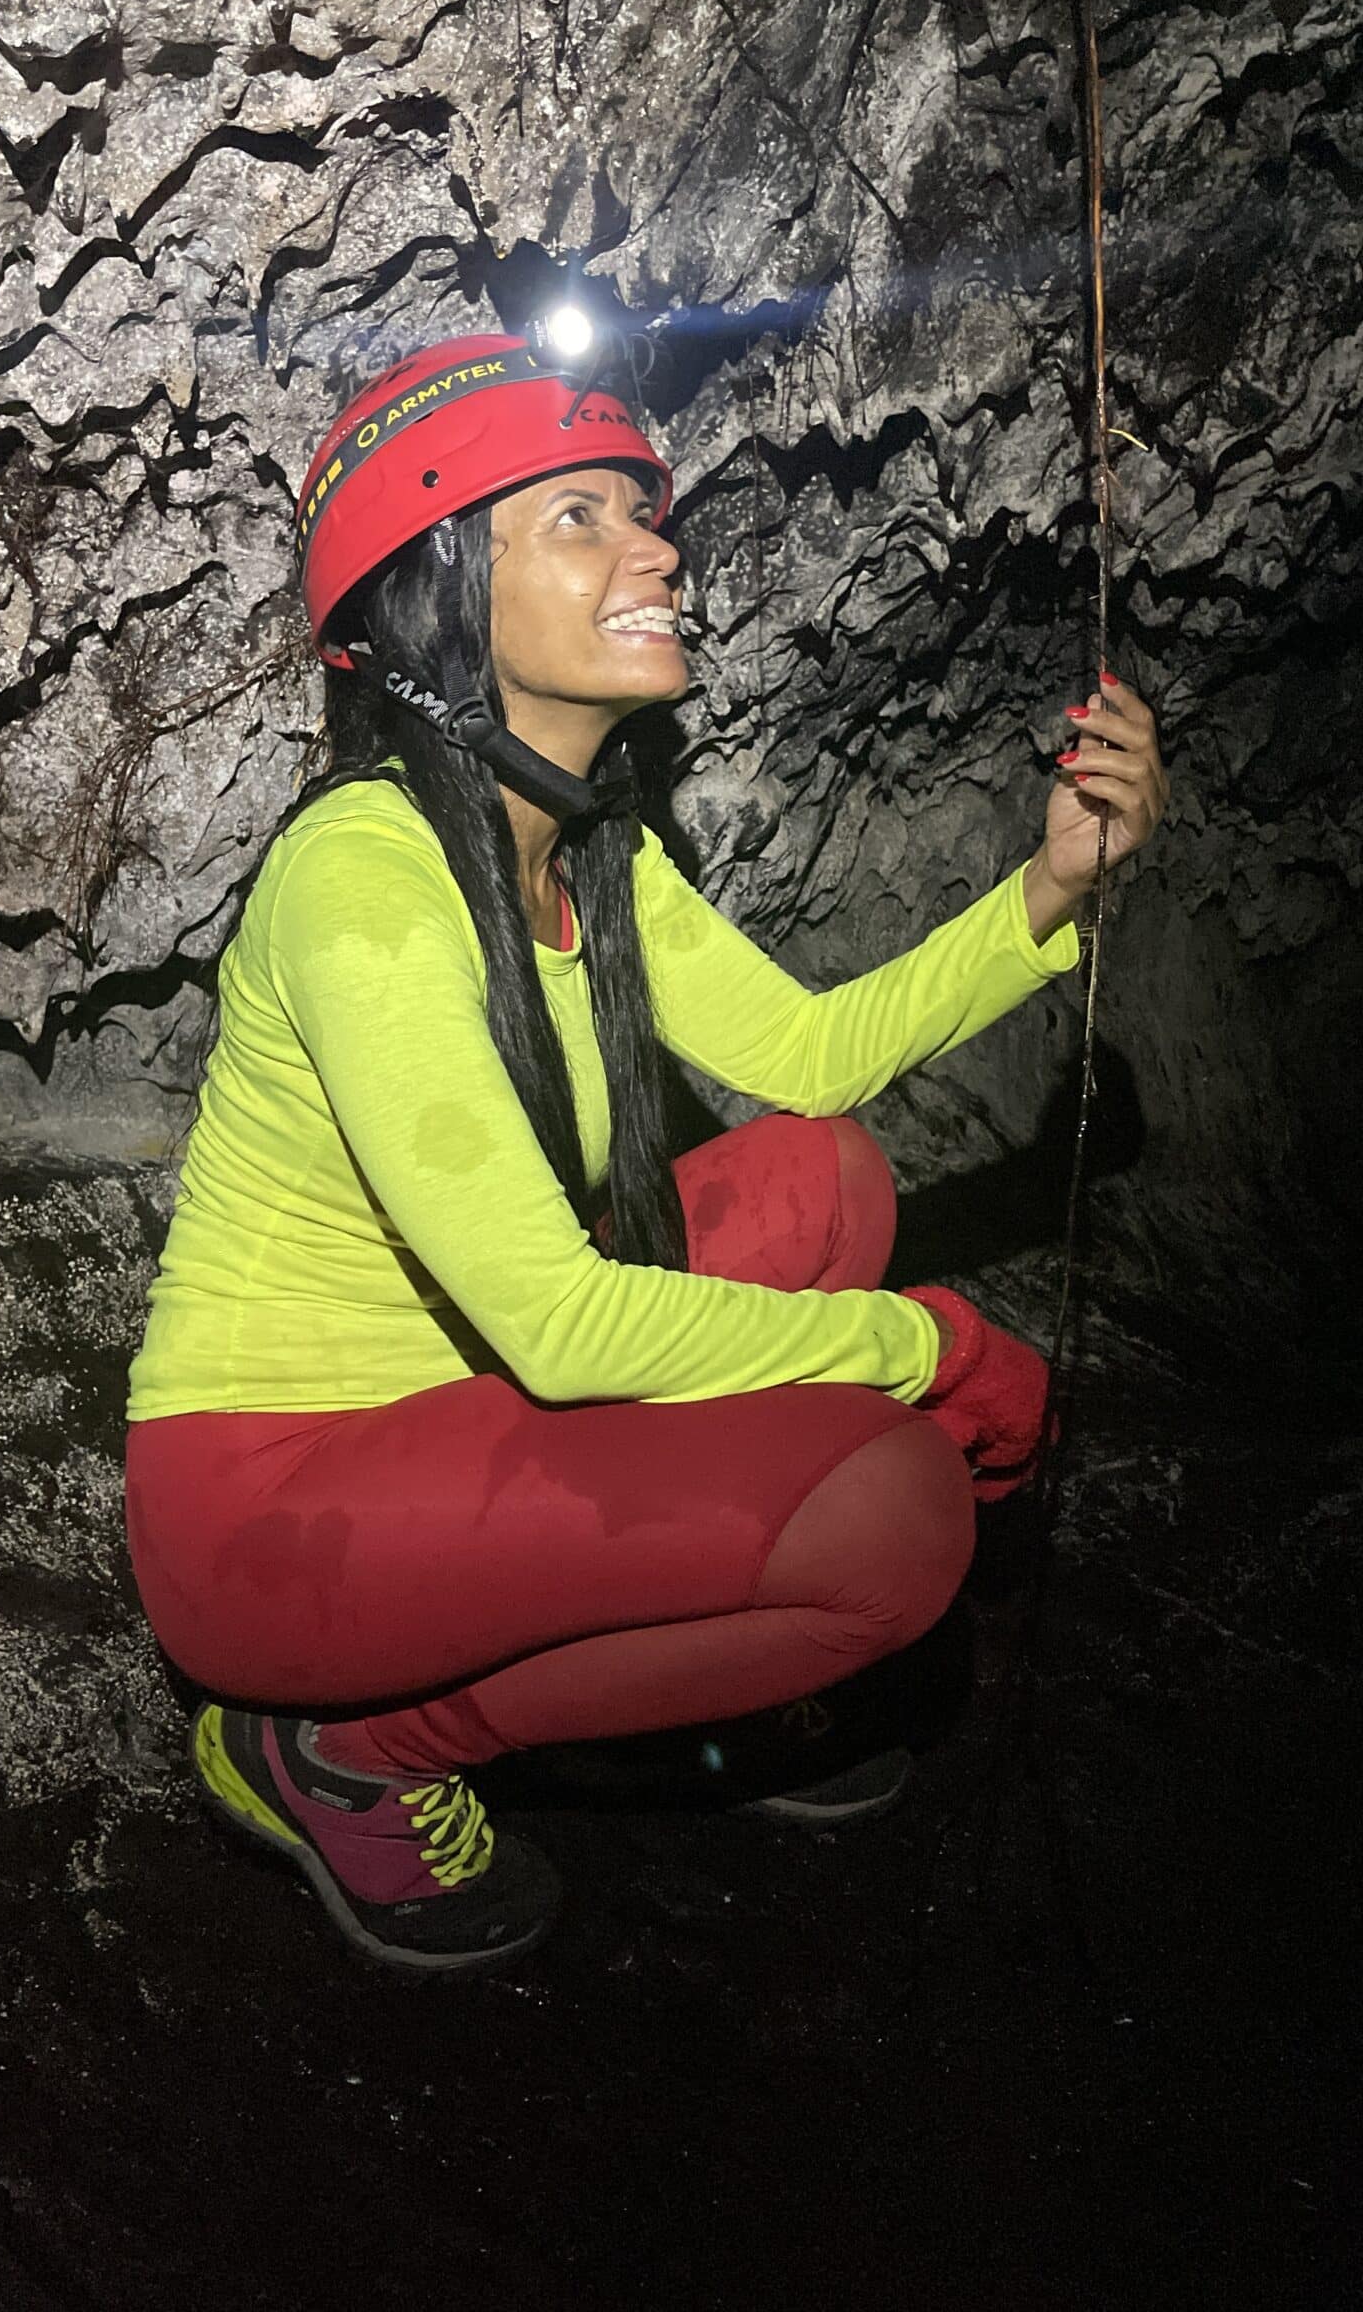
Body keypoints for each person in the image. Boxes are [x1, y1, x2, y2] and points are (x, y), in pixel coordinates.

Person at [124, 326, 1169, 1977]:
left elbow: (810, 1057)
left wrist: (1048, 897)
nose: (659, 546)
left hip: (450, 1409)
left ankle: (696, 1660)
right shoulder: (365, 883)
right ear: (444, 591)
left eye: (645, 512)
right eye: (583, 520)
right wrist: (926, 1347)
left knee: (828, 1181)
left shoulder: (587, 852)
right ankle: (346, 1754)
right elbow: (552, 1321)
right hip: (277, 1507)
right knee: (897, 1518)